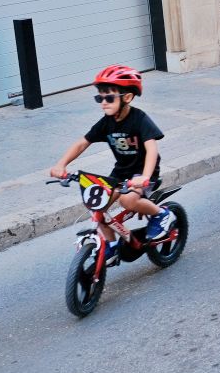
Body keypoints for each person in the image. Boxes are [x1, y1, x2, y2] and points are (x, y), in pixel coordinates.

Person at [49, 66, 172, 263]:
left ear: (128, 97)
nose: (103, 103)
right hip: (121, 172)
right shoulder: (106, 122)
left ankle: (161, 214)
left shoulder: (139, 119)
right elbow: (82, 143)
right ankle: (112, 245)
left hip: (143, 172)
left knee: (127, 201)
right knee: (98, 205)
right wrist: (61, 165)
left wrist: (145, 177)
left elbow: (151, 149)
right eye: (100, 98)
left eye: (109, 98)